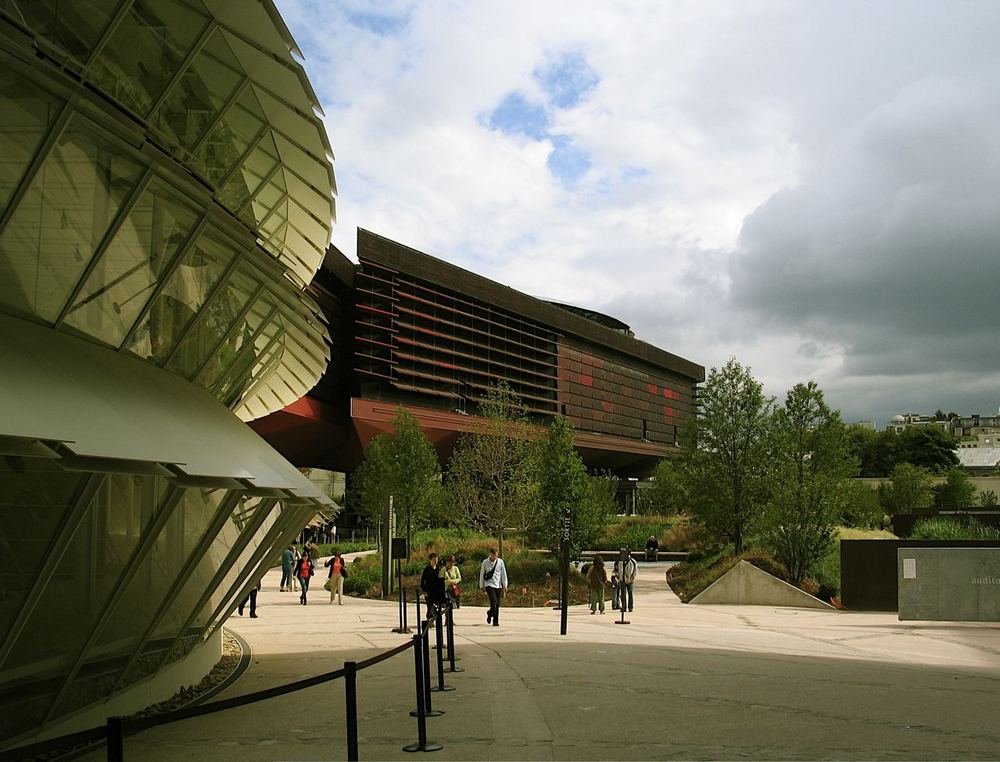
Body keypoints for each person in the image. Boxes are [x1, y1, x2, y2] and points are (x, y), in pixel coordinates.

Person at [479, 548, 508, 626]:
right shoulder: (485, 562)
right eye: (493, 555)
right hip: (489, 584)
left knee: (496, 604)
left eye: (496, 555)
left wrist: (504, 585)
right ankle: (490, 613)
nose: (495, 556)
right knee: (494, 601)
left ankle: (495, 620)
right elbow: (482, 574)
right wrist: (481, 586)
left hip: (498, 584)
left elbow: (503, 574)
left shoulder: (500, 562)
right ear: (490, 554)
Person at [613, 547, 638, 613]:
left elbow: (635, 571)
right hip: (625, 580)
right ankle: (625, 607)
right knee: (625, 594)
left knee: (629, 594)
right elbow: (621, 571)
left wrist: (631, 579)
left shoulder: (632, 561)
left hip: (629, 580)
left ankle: (629, 607)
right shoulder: (621, 562)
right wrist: (627, 579)